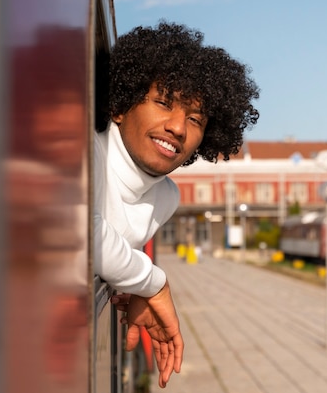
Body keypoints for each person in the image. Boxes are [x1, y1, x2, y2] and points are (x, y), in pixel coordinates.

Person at [93, 21, 260, 388]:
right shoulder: (83, 150)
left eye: (195, 119)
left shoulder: (167, 197)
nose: (178, 127)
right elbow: (79, 228)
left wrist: (131, 287)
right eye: (163, 102)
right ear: (120, 105)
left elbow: (112, 251)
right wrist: (152, 283)